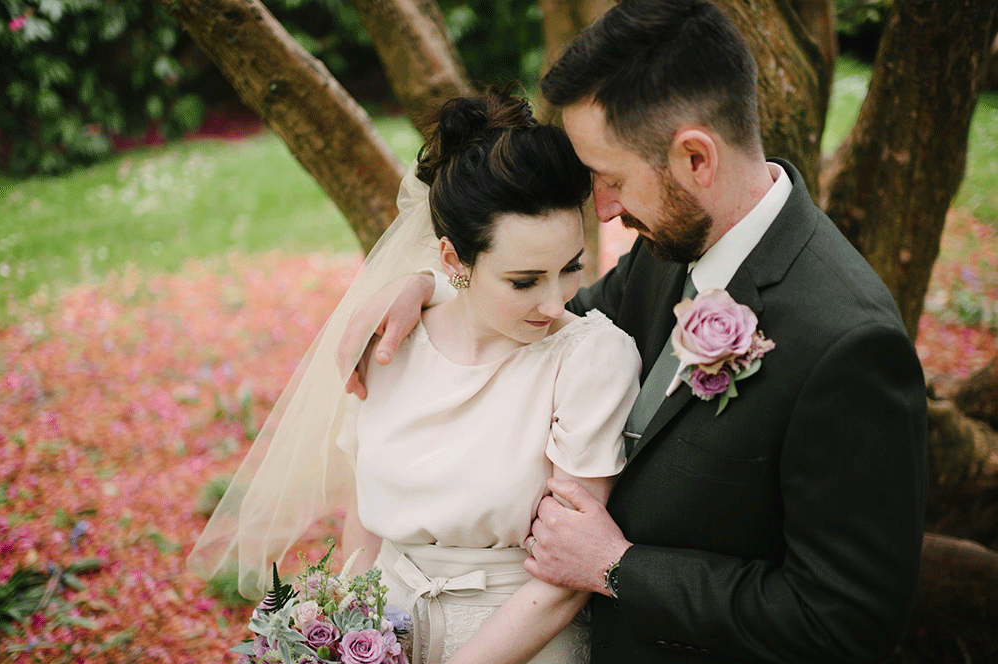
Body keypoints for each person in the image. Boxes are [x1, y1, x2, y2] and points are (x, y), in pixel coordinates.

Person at [338, 1, 928, 663]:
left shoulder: (848, 345)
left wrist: (618, 567)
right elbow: (547, 322)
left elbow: (845, 623)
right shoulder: (670, 247)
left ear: (695, 158)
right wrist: (428, 287)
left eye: (611, 178)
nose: (603, 208)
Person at [191, 89, 641, 664]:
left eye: (571, 268)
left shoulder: (590, 359)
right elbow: (365, 520)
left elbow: (567, 574)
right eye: (525, 281)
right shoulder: (392, 341)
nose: (555, 303)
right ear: (453, 261)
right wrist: (354, 635)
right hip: (386, 633)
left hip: (522, 640)